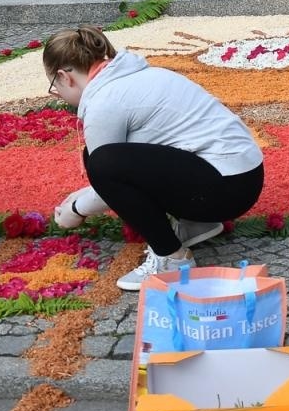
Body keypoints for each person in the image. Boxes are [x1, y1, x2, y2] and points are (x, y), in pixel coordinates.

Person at [44, 26, 265, 290]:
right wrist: (82, 194)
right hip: (243, 175)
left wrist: (75, 210)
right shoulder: (140, 74)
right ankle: (195, 225)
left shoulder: (104, 102)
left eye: (54, 87)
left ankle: (171, 259)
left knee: (102, 162)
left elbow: (109, 174)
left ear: (64, 77)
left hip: (224, 188)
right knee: (100, 159)